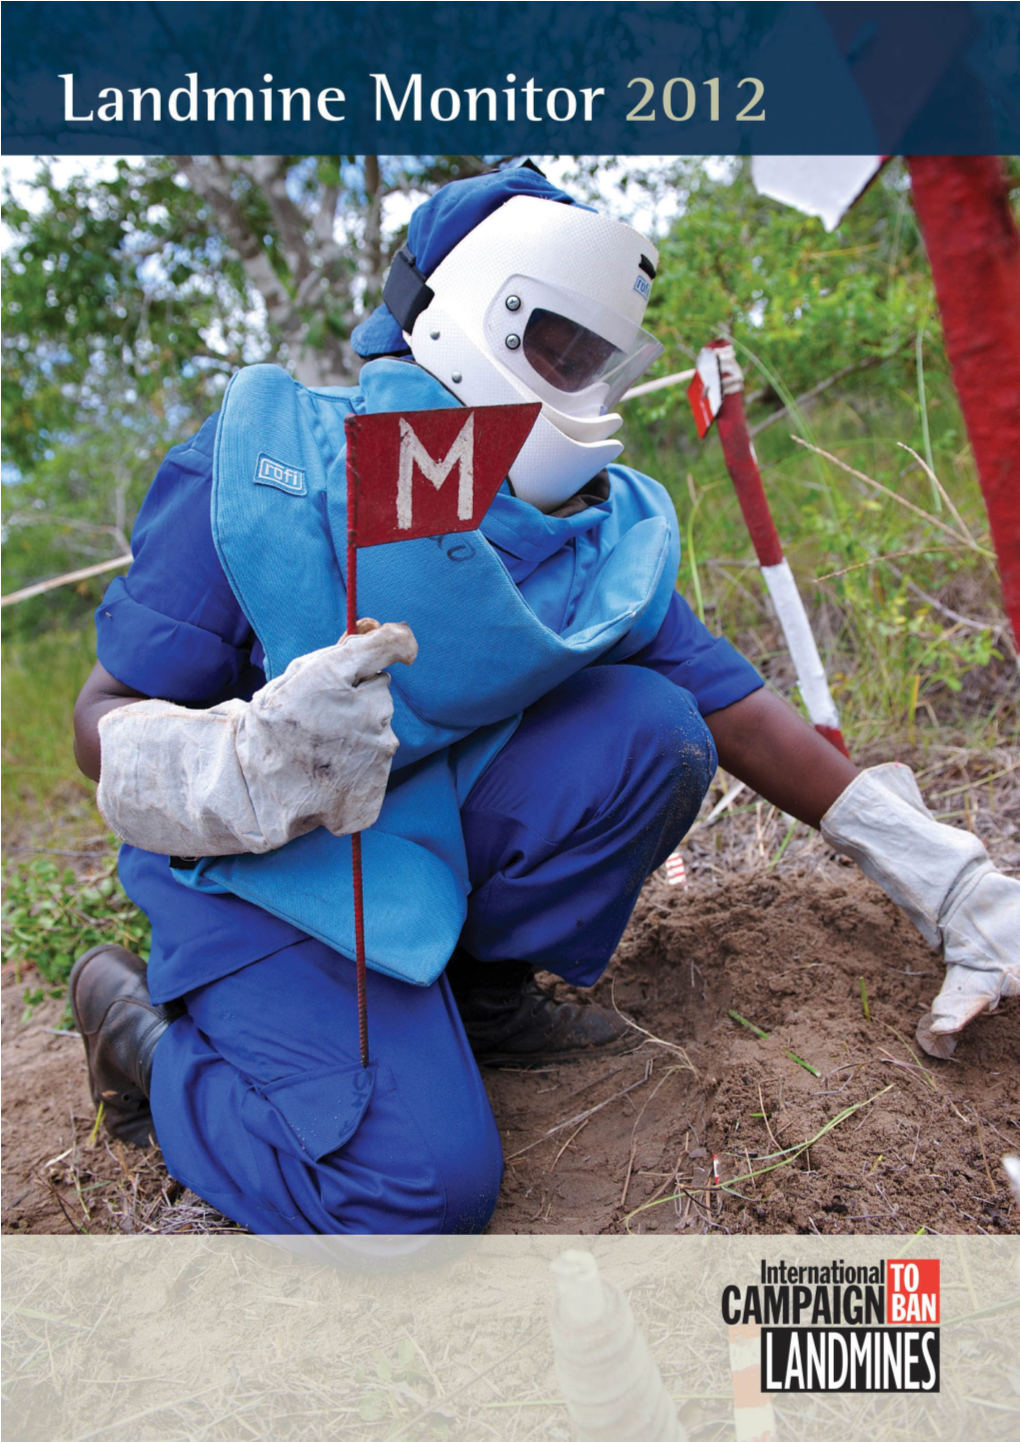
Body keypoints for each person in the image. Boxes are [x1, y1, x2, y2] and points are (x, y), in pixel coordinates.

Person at [71, 167, 1018, 1236]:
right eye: (557, 346)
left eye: (595, 358)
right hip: (258, 875)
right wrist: (242, 759)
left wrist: (948, 879)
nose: (578, 380)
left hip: (415, 836)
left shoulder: (581, 532)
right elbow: (103, 718)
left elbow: (730, 706)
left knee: (652, 730)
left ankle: (474, 995)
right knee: (419, 1191)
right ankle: (147, 1053)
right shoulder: (263, 473)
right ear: (479, 317)